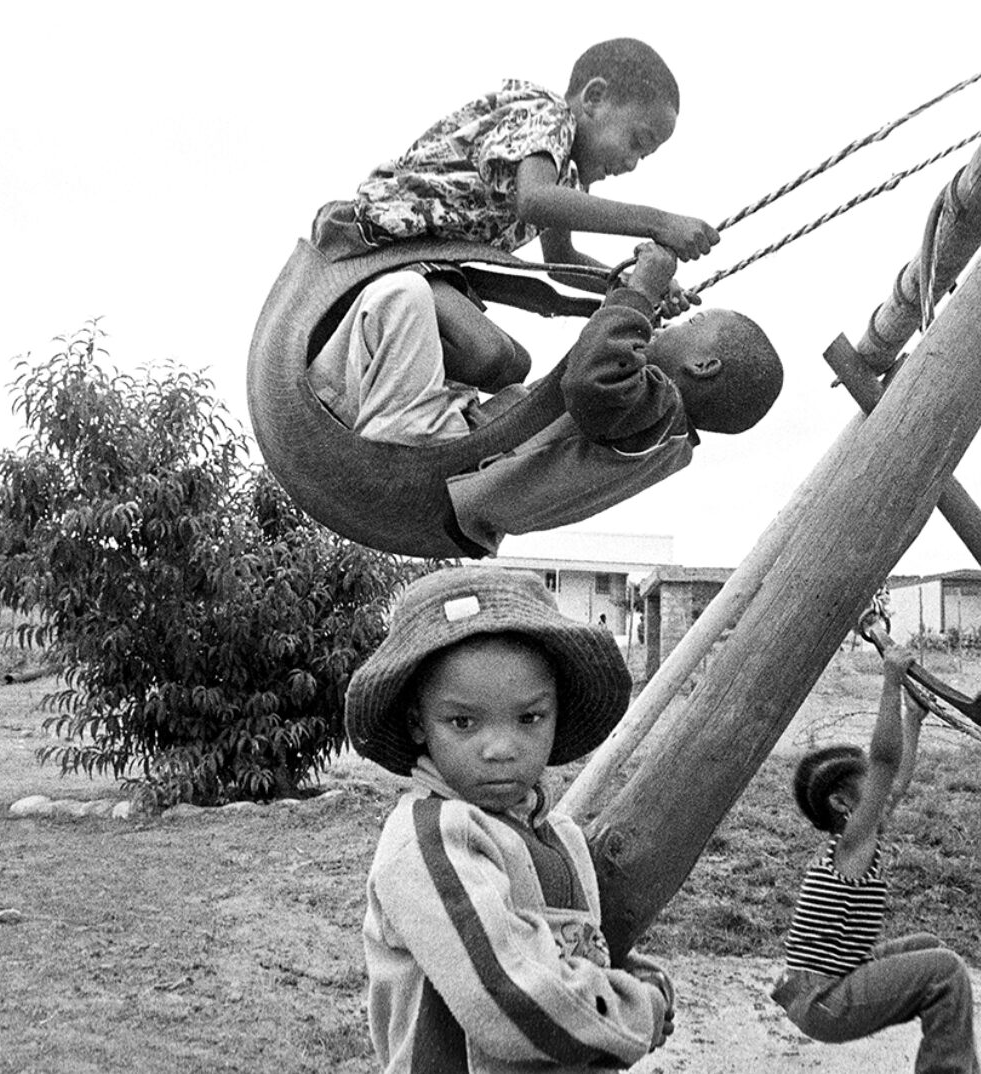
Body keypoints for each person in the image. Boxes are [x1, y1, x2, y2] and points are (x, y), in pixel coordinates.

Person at [345, 565, 676, 1073]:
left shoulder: (560, 836)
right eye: (462, 721)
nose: (500, 748)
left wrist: (633, 976)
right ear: (417, 722)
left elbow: (569, 947)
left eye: (529, 718)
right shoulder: (433, 838)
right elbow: (508, 995)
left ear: (556, 713)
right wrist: (636, 1011)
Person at [306, 240, 783, 554]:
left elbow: (588, 379)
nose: (674, 323)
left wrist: (640, 293)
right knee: (511, 362)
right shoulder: (660, 439)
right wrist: (621, 298)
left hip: (430, 455)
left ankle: (329, 398)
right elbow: (590, 374)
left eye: (691, 325)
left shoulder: (657, 414)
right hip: (460, 464)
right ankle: (344, 396)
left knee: (403, 293)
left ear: (704, 367)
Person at [311, 37, 720, 390]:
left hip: (424, 266)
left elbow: (560, 263)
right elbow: (535, 200)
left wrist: (633, 286)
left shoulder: (566, 179)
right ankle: (366, 372)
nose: (632, 163)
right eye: (636, 141)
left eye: (644, 156)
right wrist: (660, 222)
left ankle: (403, 388)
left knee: (510, 366)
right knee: (488, 353)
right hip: (376, 245)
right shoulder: (546, 114)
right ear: (594, 98)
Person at [771, 644, 981, 1074]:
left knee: (929, 947)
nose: (882, 790)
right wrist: (889, 680)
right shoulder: (853, 842)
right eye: (869, 785)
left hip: (822, 984)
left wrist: (913, 719)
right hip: (825, 999)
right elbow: (885, 761)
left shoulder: (851, 837)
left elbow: (896, 776)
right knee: (946, 972)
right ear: (843, 803)